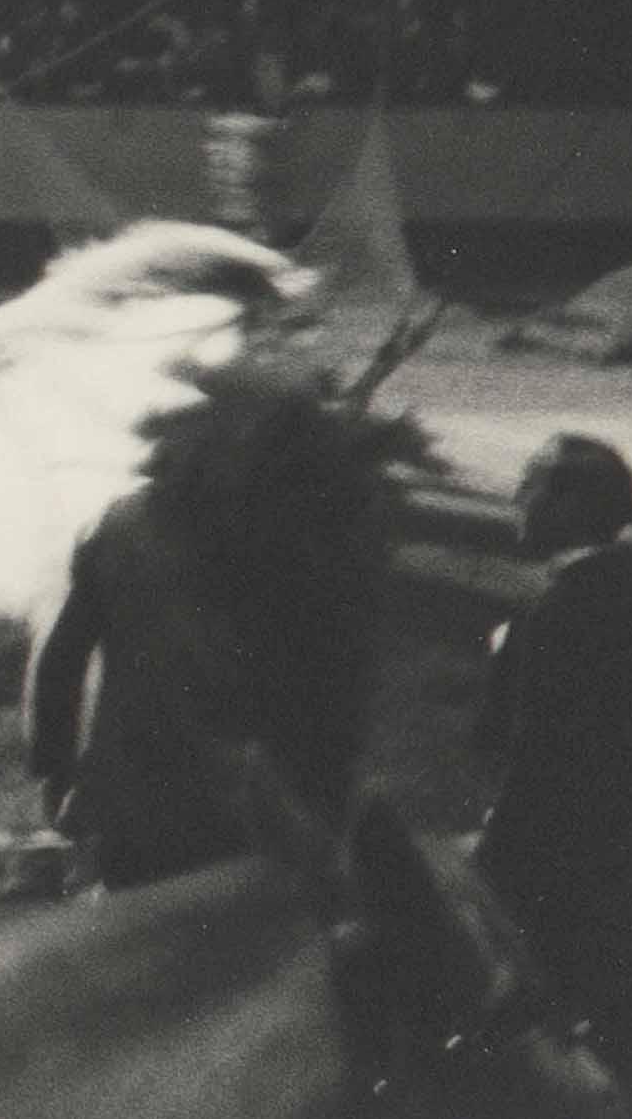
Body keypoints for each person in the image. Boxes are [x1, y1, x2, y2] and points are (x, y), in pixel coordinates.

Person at [27, 375, 400, 892]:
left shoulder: (126, 526)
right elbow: (341, 690)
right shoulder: (315, 537)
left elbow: (62, 663)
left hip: (136, 803)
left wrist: (56, 770)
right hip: (262, 816)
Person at [473, 433, 632, 1107]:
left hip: (553, 885)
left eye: (532, 480)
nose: (516, 495)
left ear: (571, 503)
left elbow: (534, 765)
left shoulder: (557, 616)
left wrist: (487, 873)